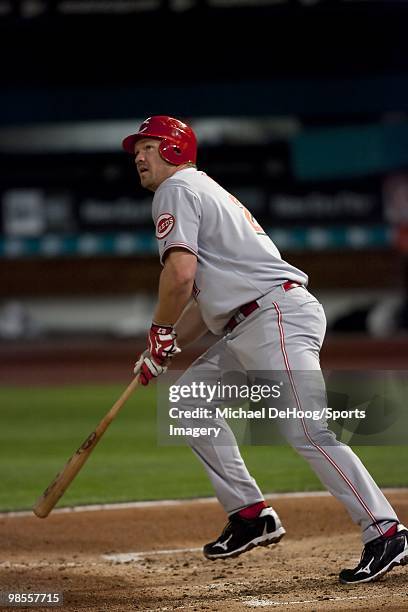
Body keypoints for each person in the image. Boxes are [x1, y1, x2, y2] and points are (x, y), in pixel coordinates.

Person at [122, 115, 408, 584]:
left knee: (307, 430)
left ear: (174, 150)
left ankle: (387, 532)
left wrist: (158, 329)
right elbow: (202, 304)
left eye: (148, 146)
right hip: (251, 321)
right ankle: (251, 515)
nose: (138, 154)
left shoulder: (176, 190)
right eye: (137, 148)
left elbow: (179, 277)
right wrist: (166, 345)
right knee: (190, 398)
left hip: (273, 315)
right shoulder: (199, 190)